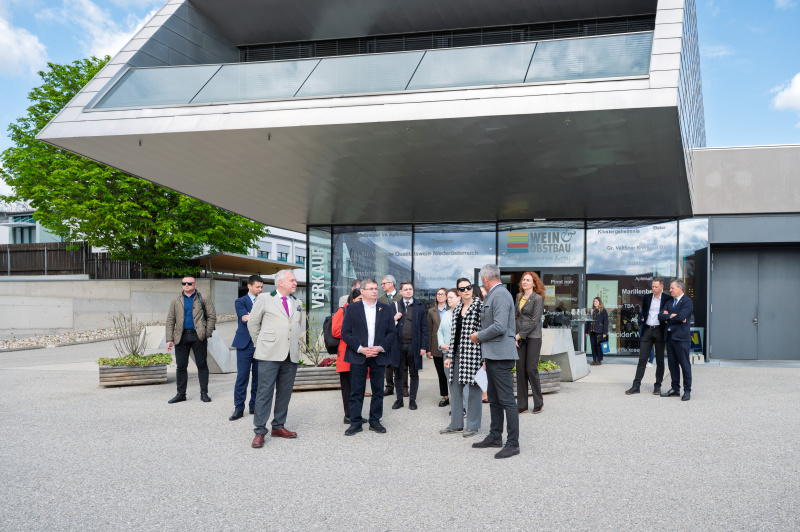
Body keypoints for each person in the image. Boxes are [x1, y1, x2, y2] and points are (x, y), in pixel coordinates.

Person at [247, 270, 306, 448]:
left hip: (291, 354)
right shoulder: (265, 298)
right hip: (269, 353)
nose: (295, 283)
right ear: (281, 282)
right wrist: (262, 343)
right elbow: (253, 323)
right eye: (292, 280)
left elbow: (300, 326)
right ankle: (259, 431)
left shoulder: (297, 302)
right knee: (264, 392)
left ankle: (278, 426)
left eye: (295, 280)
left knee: (285, 392)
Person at [469, 264, 520, 459]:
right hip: (493, 354)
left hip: (500, 355)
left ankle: (513, 444)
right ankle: (495, 436)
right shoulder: (496, 294)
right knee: (495, 399)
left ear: (484, 279)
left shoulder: (499, 295)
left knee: (506, 400)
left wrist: (478, 336)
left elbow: (499, 326)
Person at [341, 279, 397, 435]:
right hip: (358, 355)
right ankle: (356, 422)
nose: (374, 291)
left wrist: (381, 347)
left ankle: (374, 421)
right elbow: (346, 333)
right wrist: (361, 349)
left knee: (378, 390)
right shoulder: (352, 309)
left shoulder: (385, 309)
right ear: (362, 291)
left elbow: (392, 332)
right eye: (371, 289)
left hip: (378, 355)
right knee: (356, 391)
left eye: (376, 288)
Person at [440, 279, 483, 438]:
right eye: (462, 289)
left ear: (472, 288)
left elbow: (485, 331)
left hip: (474, 354)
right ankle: (456, 424)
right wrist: (450, 356)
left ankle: (473, 425)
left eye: (468, 287)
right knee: (454, 388)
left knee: (474, 390)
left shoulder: (480, 306)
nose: (466, 290)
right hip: (457, 353)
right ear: (458, 292)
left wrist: (484, 358)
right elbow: (454, 335)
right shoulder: (457, 308)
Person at [165, 276, 217, 404]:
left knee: (202, 365)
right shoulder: (176, 300)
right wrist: (169, 339)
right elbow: (170, 320)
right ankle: (181, 394)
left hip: (198, 336)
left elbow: (212, 316)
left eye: (189, 283)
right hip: (181, 336)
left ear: (195, 284)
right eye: (184, 283)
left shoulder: (203, 298)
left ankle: (204, 393)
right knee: (181, 366)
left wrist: (206, 333)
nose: (186, 285)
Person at [626, 277, 672, 395]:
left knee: (660, 360)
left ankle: (657, 386)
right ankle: (636, 386)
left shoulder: (668, 299)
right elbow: (645, 312)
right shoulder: (647, 297)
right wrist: (643, 320)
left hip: (659, 331)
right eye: (652, 286)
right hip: (647, 330)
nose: (654, 289)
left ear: (662, 287)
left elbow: (670, 314)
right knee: (642, 359)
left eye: (656, 287)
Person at [229, 275, 264, 420]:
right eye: (258, 287)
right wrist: (257, 318)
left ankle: (254, 405)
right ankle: (239, 408)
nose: (260, 290)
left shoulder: (265, 301)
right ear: (249, 286)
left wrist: (253, 317)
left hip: (260, 344)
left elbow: (262, 319)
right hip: (244, 344)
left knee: (258, 377)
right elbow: (245, 319)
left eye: (262, 287)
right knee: (242, 377)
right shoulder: (240, 301)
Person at [391, 282, 428, 410]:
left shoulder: (419, 306)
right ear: (400, 291)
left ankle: (412, 400)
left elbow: (424, 328)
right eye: (405, 289)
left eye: (410, 289)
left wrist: (424, 346)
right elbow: (386, 326)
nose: (408, 291)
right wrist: (394, 319)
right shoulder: (394, 306)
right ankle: (399, 400)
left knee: (414, 373)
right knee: (398, 374)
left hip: (414, 345)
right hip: (398, 345)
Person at [515, 272, 545, 414]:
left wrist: (520, 335)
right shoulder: (519, 296)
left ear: (534, 283)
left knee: (531, 369)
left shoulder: (537, 298)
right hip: (519, 337)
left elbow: (535, 320)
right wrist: (514, 335)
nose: (525, 282)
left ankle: (539, 402)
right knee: (520, 369)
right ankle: (522, 405)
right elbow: (517, 317)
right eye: (523, 280)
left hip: (533, 337)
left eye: (528, 280)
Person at [659, 279, 694, 401]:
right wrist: (671, 316)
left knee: (685, 365)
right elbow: (660, 316)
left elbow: (681, 317)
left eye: (673, 288)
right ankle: (675, 389)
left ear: (680, 288)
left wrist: (668, 317)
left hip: (681, 339)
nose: (670, 290)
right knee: (672, 364)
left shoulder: (687, 302)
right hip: (670, 338)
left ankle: (687, 391)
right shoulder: (669, 302)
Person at [332, 288, 362, 423]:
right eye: (359, 299)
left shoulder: (362, 311)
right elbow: (336, 331)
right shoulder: (342, 310)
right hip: (346, 354)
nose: (362, 302)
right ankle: (348, 415)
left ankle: (356, 414)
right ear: (353, 299)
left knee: (358, 386)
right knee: (348, 387)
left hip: (359, 354)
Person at [378, 275, 403, 396]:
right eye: (382, 284)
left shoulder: (401, 297)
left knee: (402, 361)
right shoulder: (380, 299)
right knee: (387, 361)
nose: (382, 285)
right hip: (385, 334)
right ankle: (389, 386)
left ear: (391, 283)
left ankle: (404, 387)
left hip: (400, 333)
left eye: (384, 283)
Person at [427, 288, 451, 407]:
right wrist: (429, 349)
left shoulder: (452, 309)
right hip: (437, 347)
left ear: (447, 296)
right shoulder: (432, 311)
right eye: (438, 294)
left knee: (452, 373)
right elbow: (430, 330)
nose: (440, 296)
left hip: (450, 346)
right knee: (441, 373)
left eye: (442, 294)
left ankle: (456, 396)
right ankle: (445, 396)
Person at [587, 297, 609, 366]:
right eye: (594, 301)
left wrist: (605, 333)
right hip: (592, 331)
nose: (595, 302)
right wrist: (586, 331)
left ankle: (599, 360)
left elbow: (606, 322)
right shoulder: (591, 311)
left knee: (599, 346)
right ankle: (594, 359)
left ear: (599, 302)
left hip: (599, 331)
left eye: (596, 301)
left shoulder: (603, 311)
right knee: (593, 346)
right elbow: (588, 321)